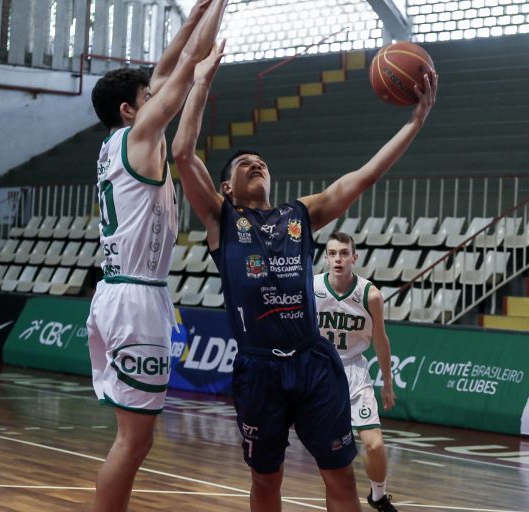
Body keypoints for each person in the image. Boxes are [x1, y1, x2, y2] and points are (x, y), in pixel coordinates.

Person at [172, 42, 436, 511]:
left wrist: (413, 123)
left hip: (313, 362)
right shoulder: (221, 220)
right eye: (245, 163)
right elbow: (182, 154)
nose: (257, 163)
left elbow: (362, 178)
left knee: (340, 476)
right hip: (259, 368)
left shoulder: (299, 215)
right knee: (265, 480)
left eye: (262, 162)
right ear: (227, 186)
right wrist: (201, 82)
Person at [85, 0, 228, 510]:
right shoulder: (141, 137)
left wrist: (194, 17)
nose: (157, 94)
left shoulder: (118, 143)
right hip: (135, 299)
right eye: (148, 96)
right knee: (134, 441)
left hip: (119, 292)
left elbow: (170, 65)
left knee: (134, 439)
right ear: (130, 110)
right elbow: (186, 65)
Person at [315, 232, 398, 512]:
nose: (338, 259)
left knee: (374, 444)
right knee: (330, 452)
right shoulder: (311, 288)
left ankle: (378, 495)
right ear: (326, 258)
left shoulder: (370, 295)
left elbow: (381, 340)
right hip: (320, 371)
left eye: (343, 253)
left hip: (353, 369)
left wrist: (387, 384)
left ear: (354, 257)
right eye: (332, 253)